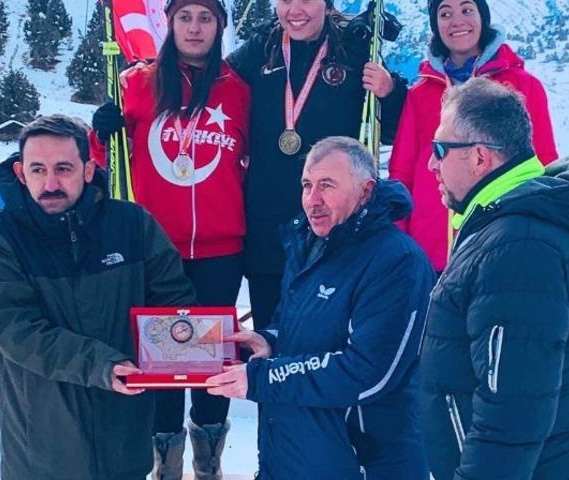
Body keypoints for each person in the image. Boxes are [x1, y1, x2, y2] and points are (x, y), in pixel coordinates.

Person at [421, 77, 569, 479]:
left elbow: (512, 413)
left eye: (439, 149)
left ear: (480, 157)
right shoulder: (509, 227)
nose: (431, 163)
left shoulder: (519, 249)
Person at [0, 115, 198, 480]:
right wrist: (101, 365)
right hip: (41, 453)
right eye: (38, 169)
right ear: (21, 172)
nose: (51, 183)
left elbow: (173, 302)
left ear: (89, 170)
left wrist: (206, 341)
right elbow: (19, 333)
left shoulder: (132, 225)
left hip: (125, 442)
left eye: (64, 168)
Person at [206, 137, 434, 479]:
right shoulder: (310, 245)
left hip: (359, 463)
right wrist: (269, 340)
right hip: (290, 457)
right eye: (307, 185)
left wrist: (263, 378)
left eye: (327, 185)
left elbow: (368, 372)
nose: (312, 200)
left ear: (366, 191)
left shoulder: (397, 261)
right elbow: (294, 326)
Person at [90, 1, 249, 477]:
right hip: (158, 251)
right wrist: (102, 134)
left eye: (205, 18)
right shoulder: (137, 84)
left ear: (219, 25)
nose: (195, 28)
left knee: (212, 367)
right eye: (185, 17)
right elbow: (106, 162)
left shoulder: (238, 90)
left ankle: (208, 464)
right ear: (170, 24)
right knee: (161, 366)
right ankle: (165, 465)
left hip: (222, 249)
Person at [226, 0, 408, 330]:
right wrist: (148, 82)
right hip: (268, 231)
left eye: (306, 0)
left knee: (326, 338)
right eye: (284, 0)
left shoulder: (353, 46)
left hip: (333, 229)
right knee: (269, 336)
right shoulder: (260, 48)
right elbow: (208, 86)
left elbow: (396, 130)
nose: (295, 10)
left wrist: (390, 92)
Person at [388, 0, 558, 273]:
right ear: (436, 24)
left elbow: (544, 165)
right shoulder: (420, 94)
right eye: (445, 13)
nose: (456, 21)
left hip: (502, 244)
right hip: (429, 254)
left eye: (467, 10)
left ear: (483, 17)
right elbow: (402, 172)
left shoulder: (524, 87)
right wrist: (399, 244)